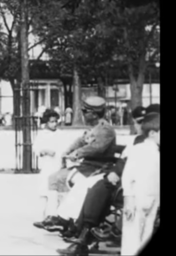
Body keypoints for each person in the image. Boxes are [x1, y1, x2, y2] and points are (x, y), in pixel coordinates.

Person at [55, 106, 150, 255]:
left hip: (142, 183)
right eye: (138, 122)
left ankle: (87, 235)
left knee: (99, 187)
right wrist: (115, 172)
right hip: (124, 178)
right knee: (97, 186)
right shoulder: (137, 140)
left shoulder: (151, 142)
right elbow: (124, 160)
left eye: (142, 122)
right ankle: (83, 236)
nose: (139, 125)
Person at [35, 96, 116, 234]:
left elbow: (97, 148)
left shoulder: (105, 129)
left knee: (72, 182)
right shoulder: (94, 128)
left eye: (85, 111)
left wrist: (77, 153)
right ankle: (56, 217)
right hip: (88, 166)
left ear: (94, 114)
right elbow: (80, 141)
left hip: (98, 167)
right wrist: (68, 150)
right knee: (54, 178)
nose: (83, 114)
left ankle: (69, 221)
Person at [120, 111, 159, 256]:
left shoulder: (157, 152)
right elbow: (127, 176)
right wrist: (128, 199)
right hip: (137, 199)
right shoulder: (138, 149)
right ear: (153, 133)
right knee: (132, 237)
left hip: (153, 198)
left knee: (147, 234)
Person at [34, 110, 69, 220]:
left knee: (59, 193)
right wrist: (45, 151)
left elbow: (65, 148)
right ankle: (41, 216)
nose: (54, 124)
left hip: (58, 165)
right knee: (44, 191)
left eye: (55, 121)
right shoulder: (42, 134)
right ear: (46, 122)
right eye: (51, 122)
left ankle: (57, 216)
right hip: (47, 165)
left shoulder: (60, 134)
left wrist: (64, 161)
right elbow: (36, 149)